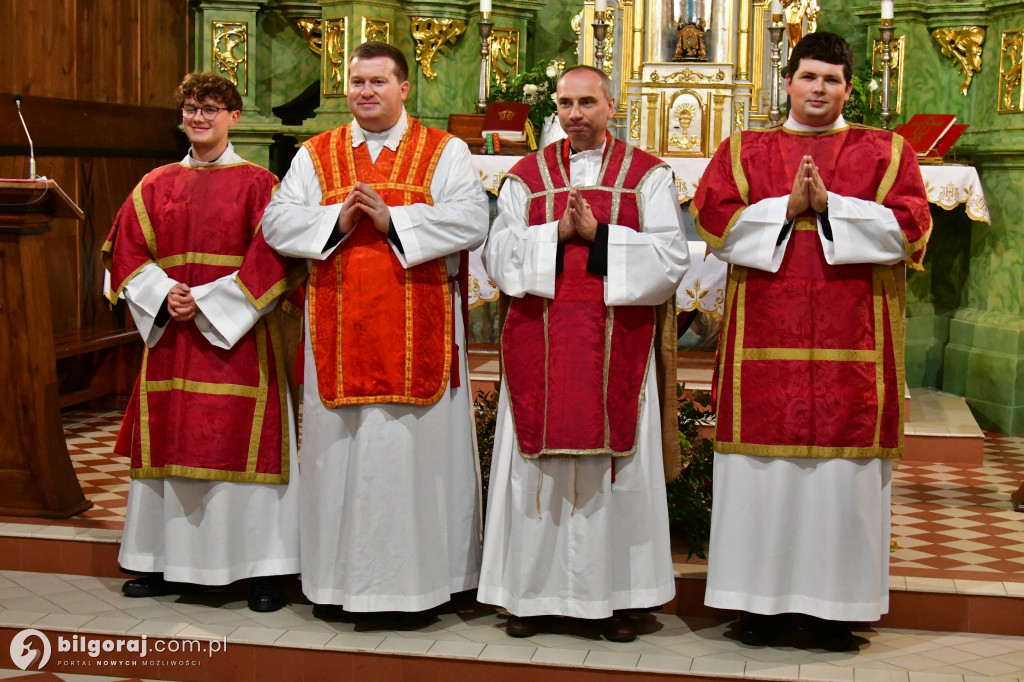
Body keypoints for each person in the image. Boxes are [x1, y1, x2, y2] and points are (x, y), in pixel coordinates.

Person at [691, 32, 931, 651]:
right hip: (762, 349)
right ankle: (757, 608)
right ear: (788, 83)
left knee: (839, 487)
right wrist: (783, 208)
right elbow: (715, 219)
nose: (819, 89)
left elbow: (911, 227)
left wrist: (830, 209)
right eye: (808, 77)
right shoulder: (746, 149)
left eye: (831, 80)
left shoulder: (885, 151)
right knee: (760, 479)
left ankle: (834, 611)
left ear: (849, 88)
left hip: (855, 350)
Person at [261, 41, 488, 620]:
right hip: (338, 331)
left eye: (378, 82)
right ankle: (338, 585)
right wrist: (336, 219)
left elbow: (471, 218)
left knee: (415, 462)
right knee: (340, 462)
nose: (365, 92)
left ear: (404, 88)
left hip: (422, 328)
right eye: (357, 82)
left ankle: (422, 588)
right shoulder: (318, 154)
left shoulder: (445, 151)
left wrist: (394, 220)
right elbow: (278, 221)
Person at [478, 65, 690, 643]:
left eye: (588, 102)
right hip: (540, 344)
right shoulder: (526, 175)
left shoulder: (648, 176)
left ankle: (618, 600)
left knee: (617, 468)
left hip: (615, 345)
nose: (576, 114)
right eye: (567, 103)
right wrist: (555, 236)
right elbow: (498, 256)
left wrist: (600, 235)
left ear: (611, 104)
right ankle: (528, 594)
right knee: (535, 467)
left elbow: (671, 260)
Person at [103, 72, 304, 612]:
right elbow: (125, 250)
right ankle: (162, 562)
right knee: (168, 448)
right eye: (191, 108)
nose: (199, 117)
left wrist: (213, 302)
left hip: (236, 340)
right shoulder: (155, 184)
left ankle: (263, 570)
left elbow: (277, 255)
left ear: (233, 117)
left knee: (246, 450)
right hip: (170, 337)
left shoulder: (260, 184)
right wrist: (165, 291)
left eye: (211, 108)